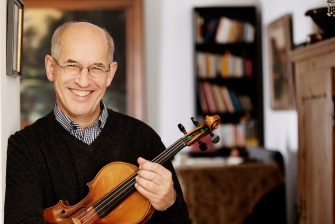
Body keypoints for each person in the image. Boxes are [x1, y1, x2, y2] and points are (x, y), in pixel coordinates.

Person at [5, 21, 189, 223]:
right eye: (72, 65)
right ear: (51, 68)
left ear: (109, 74)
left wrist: (169, 203)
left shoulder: (143, 138)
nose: (83, 81)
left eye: (96, 68)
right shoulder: (25, 146)